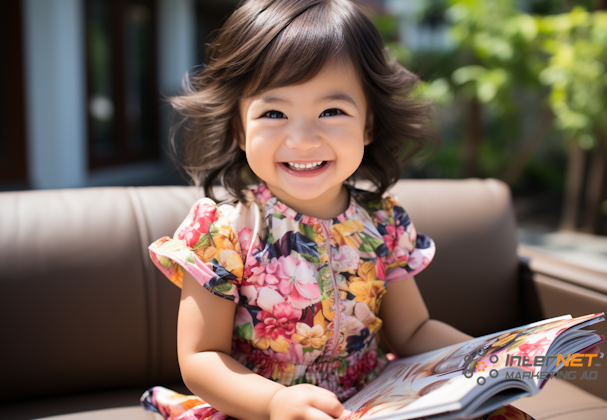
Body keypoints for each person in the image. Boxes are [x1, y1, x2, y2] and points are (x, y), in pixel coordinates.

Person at [140, 1, 536, 419]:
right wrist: (275, 403)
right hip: (259, 409)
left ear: (368, 125)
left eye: (332, 111)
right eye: (274, 112)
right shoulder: (222, 231)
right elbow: (202, 357)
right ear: (240, 129)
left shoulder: (382, 222)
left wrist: (485, 358)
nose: (304, 138)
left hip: (373, 403)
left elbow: (413, 330)